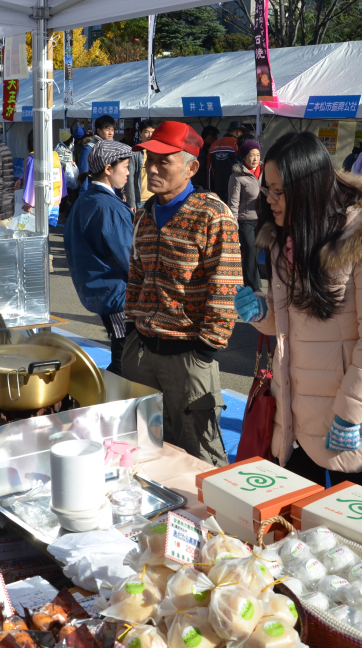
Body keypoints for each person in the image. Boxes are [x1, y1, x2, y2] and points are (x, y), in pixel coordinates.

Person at [233, 132, 362, 489]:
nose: (270, 200)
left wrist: (349, 415)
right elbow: (288, 323)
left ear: (308, 188)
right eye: (267, 189)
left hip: (351, 418)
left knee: (347, 523)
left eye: (279, 191)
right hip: (295, 415)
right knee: (295, 520)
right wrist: (261, 312)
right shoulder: (285, 237)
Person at [122, 121, 241, 466]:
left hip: (189, 358)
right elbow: (136, 276)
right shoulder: (144, 215)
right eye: (149, 161)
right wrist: (132, 327)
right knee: (144, 448)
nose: (152, 169)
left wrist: (205, 349)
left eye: (164, 162)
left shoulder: (212, 215)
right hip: (142, 352)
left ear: (190, 168)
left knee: (201, 457)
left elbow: (226, 287)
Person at [64, 140, 135, 376]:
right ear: (108, 169)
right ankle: (105, 394)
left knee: (123, 358)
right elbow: (129, 256)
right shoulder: (107, 206)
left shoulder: (86, 200)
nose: (128, 173)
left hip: (100, 290)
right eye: (125, 167)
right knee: (124, 362)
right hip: (117, 295)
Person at [227, 139, 262, 289]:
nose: (255, 158)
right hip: (245, 221)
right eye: (252, 155)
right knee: (250, 251)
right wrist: (233, 223)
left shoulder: (265, 172)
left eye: (258, 155)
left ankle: (246, 281)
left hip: (262, 220)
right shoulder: (237, 177)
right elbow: (233, 202)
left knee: (255, 253)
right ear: (244, 157)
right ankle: (255, 286)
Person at [123, 119, 155, 211]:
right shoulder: (135, 152)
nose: (150, 135)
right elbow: (130, 178)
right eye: (146, 132)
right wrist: (131, 202)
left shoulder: (158, 152)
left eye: (153, 132)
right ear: (140, 133)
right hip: (141, 199)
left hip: (155, 197)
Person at [207, 121, 242, 202]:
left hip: (216, 188)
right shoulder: (237, 144)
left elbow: (208, 169)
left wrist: (210, 189)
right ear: (237, 132)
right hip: (233, 187)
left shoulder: (214, 145)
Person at [79, 114, 117, 187]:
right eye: (107, 129)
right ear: (99, 131)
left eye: (112, 129)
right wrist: (84, 192)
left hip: (111, 189)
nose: (111, 133)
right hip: (95, 189)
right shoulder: (89, 148)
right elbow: (84, 174)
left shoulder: (114, 147)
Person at [197, 125, 220, 189]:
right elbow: (202, 170)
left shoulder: (198, 147)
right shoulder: (202, 151)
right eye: (215, 139)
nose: (215, 141)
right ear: (210, 138)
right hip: (201, 185)